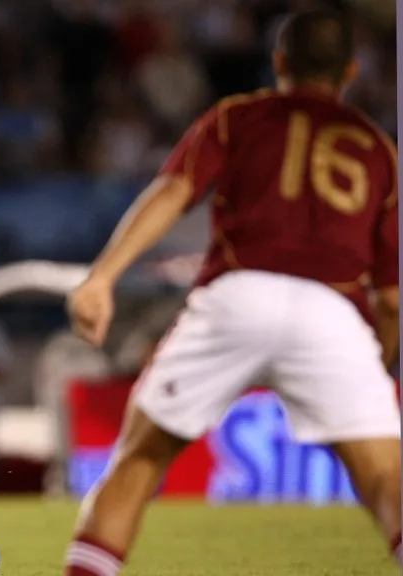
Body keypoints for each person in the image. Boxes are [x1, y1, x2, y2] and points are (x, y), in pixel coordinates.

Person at [61, 10, 400, 575]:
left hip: (238, 294)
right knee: (389, 481)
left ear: (279, 61)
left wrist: (103, 276)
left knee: (140, 459)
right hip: (334, 312)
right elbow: (391, 298)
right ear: (351, 72)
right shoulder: (376, 148)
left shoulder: (237, 116)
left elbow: (174, 191)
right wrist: (376, 364)